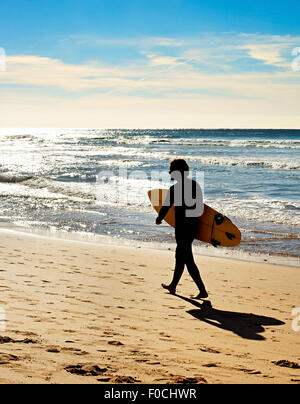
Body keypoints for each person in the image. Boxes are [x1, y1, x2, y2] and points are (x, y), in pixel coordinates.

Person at [156, 159, 208, 299]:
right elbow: (200, 208)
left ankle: (202, 290)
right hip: (190, 226)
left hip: (184, 227)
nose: (169, 172)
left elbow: (166, 206)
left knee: (187, 259)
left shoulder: (176, 189)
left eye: (171, 169)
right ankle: (173, 285)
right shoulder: (194, 185)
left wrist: (160, 218)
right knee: (180, 256)